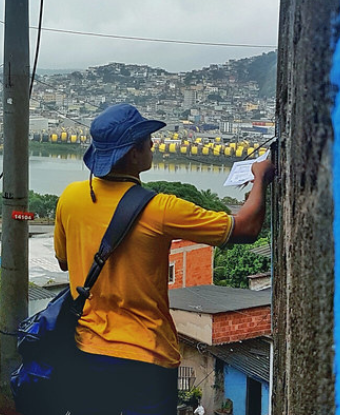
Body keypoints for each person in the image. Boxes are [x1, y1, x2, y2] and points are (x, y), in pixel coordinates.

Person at [54, 103, 275, 415]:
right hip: (146, 357)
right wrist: (260, 178)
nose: (153, 144)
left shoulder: (70, 198)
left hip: (87, 350)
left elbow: (65, 263)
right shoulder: (161, 209)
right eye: (147, 140)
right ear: (133, 153)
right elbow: (247, 228)